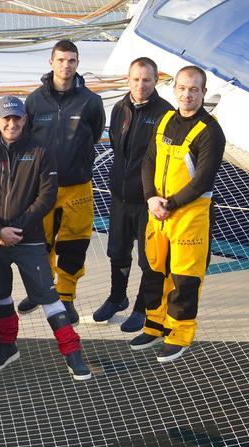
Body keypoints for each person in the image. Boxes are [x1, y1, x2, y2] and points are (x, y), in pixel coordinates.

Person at [0, 96, 91, 380]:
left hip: (30, 238)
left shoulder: (41, 152)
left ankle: (72, 353)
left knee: (48, 297)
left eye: (17, 118)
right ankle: (7, 348)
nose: (12, 124)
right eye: (6, 118)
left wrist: (17, 229)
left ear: (25, 120)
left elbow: (46, 197)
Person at [131, 66, 225, 362]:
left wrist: (167, 204)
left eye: (194, 90)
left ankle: (180, 333)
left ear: (203, 93)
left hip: (189, 217)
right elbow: (148, 161)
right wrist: (150, 198)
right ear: (174, 89)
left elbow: (202, 182)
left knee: (185, 278)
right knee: (153, 270)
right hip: (156, 211)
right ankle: (155, 324)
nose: (187, 95)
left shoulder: (210, 131)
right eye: (182, 88)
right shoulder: (166, 119)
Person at [20, 39, 105, 323]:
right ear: (51, 63)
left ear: (78, 63)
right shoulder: (34, 100)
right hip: (43, 185)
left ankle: (66, 297)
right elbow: (25, 139)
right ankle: (42, 289)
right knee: (38, 243)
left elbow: (93, 135)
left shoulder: (91, 102)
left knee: (73, 244)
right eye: (61, 60)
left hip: (77, 185)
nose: (66, 66)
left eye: (71, 61)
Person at [93, 58, 173, 332]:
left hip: (147, 200)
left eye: (147, 80)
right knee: (117, 251)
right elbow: (117, 145)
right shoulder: (120, 108)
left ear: (155, 81)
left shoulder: (165, 114)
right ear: (128, 80)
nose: (141, 85)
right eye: (136, 79)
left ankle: (143, 306)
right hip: (121, 195)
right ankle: (118, 297)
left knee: (148, 259)